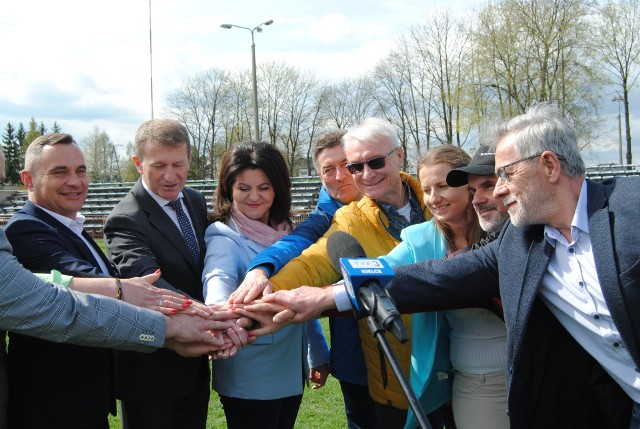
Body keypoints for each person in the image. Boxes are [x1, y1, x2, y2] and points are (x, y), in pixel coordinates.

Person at [381, 103, 638, 428]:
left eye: (499, 178)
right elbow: (438, 276)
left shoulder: (622, 209)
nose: (494, 193)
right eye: (478, 187)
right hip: (502, 392)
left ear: (549, 166)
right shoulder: (519, 243)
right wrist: (340, 291)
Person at [0, 136, 241, 429]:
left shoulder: (66, 224)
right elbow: (90, 288)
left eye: (81, 170)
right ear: (28, 179)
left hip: (83, 394)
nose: (75, 181)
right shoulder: (26, 229)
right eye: (60, 172)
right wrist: (211, 319)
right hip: (54, 401)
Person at [249, 118, 435, 428]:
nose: (364, 174)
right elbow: (307, 257)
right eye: (356, 167)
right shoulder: (345, 217)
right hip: (381, 369)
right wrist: (263, 281)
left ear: (399, 156)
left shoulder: (436, 200)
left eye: (374, 162)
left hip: (449, 369)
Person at [230, 130, 376, 429]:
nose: (339, 177)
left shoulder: (394, 200)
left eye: (346, 164)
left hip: (420, 351)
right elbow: (295, 244)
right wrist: (261, 269)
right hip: (357, 361)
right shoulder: (325, 216)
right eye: (327, 169)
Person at [382, 145, 509, 429]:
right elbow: (380, 271)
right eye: (427, 190)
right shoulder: (421, 240)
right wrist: (325, 293)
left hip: (533, 371)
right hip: (474, 382)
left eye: (442, 186)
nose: (433, 198)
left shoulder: (506, 224)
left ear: (468, 185)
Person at [203, 141, 325, 428]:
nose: (254, 197)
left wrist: (316, 353)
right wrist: (219, 317)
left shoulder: (290, 232)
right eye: (243, 188)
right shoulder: (223, 236)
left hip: (290, 372)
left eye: (264, 187)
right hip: (250, 374)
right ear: (228, 189)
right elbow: (216, 279)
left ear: (278, 188)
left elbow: (304, 297)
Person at [104, 119, 213, 429]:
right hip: (150, 371)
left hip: (194, 365)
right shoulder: (125, 218)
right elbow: (150, 285)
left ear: (189, 159)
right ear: (138, 163)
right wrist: (212, 316)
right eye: (159, 165)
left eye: (178, 164)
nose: (170, 176)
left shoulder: (193, 200)